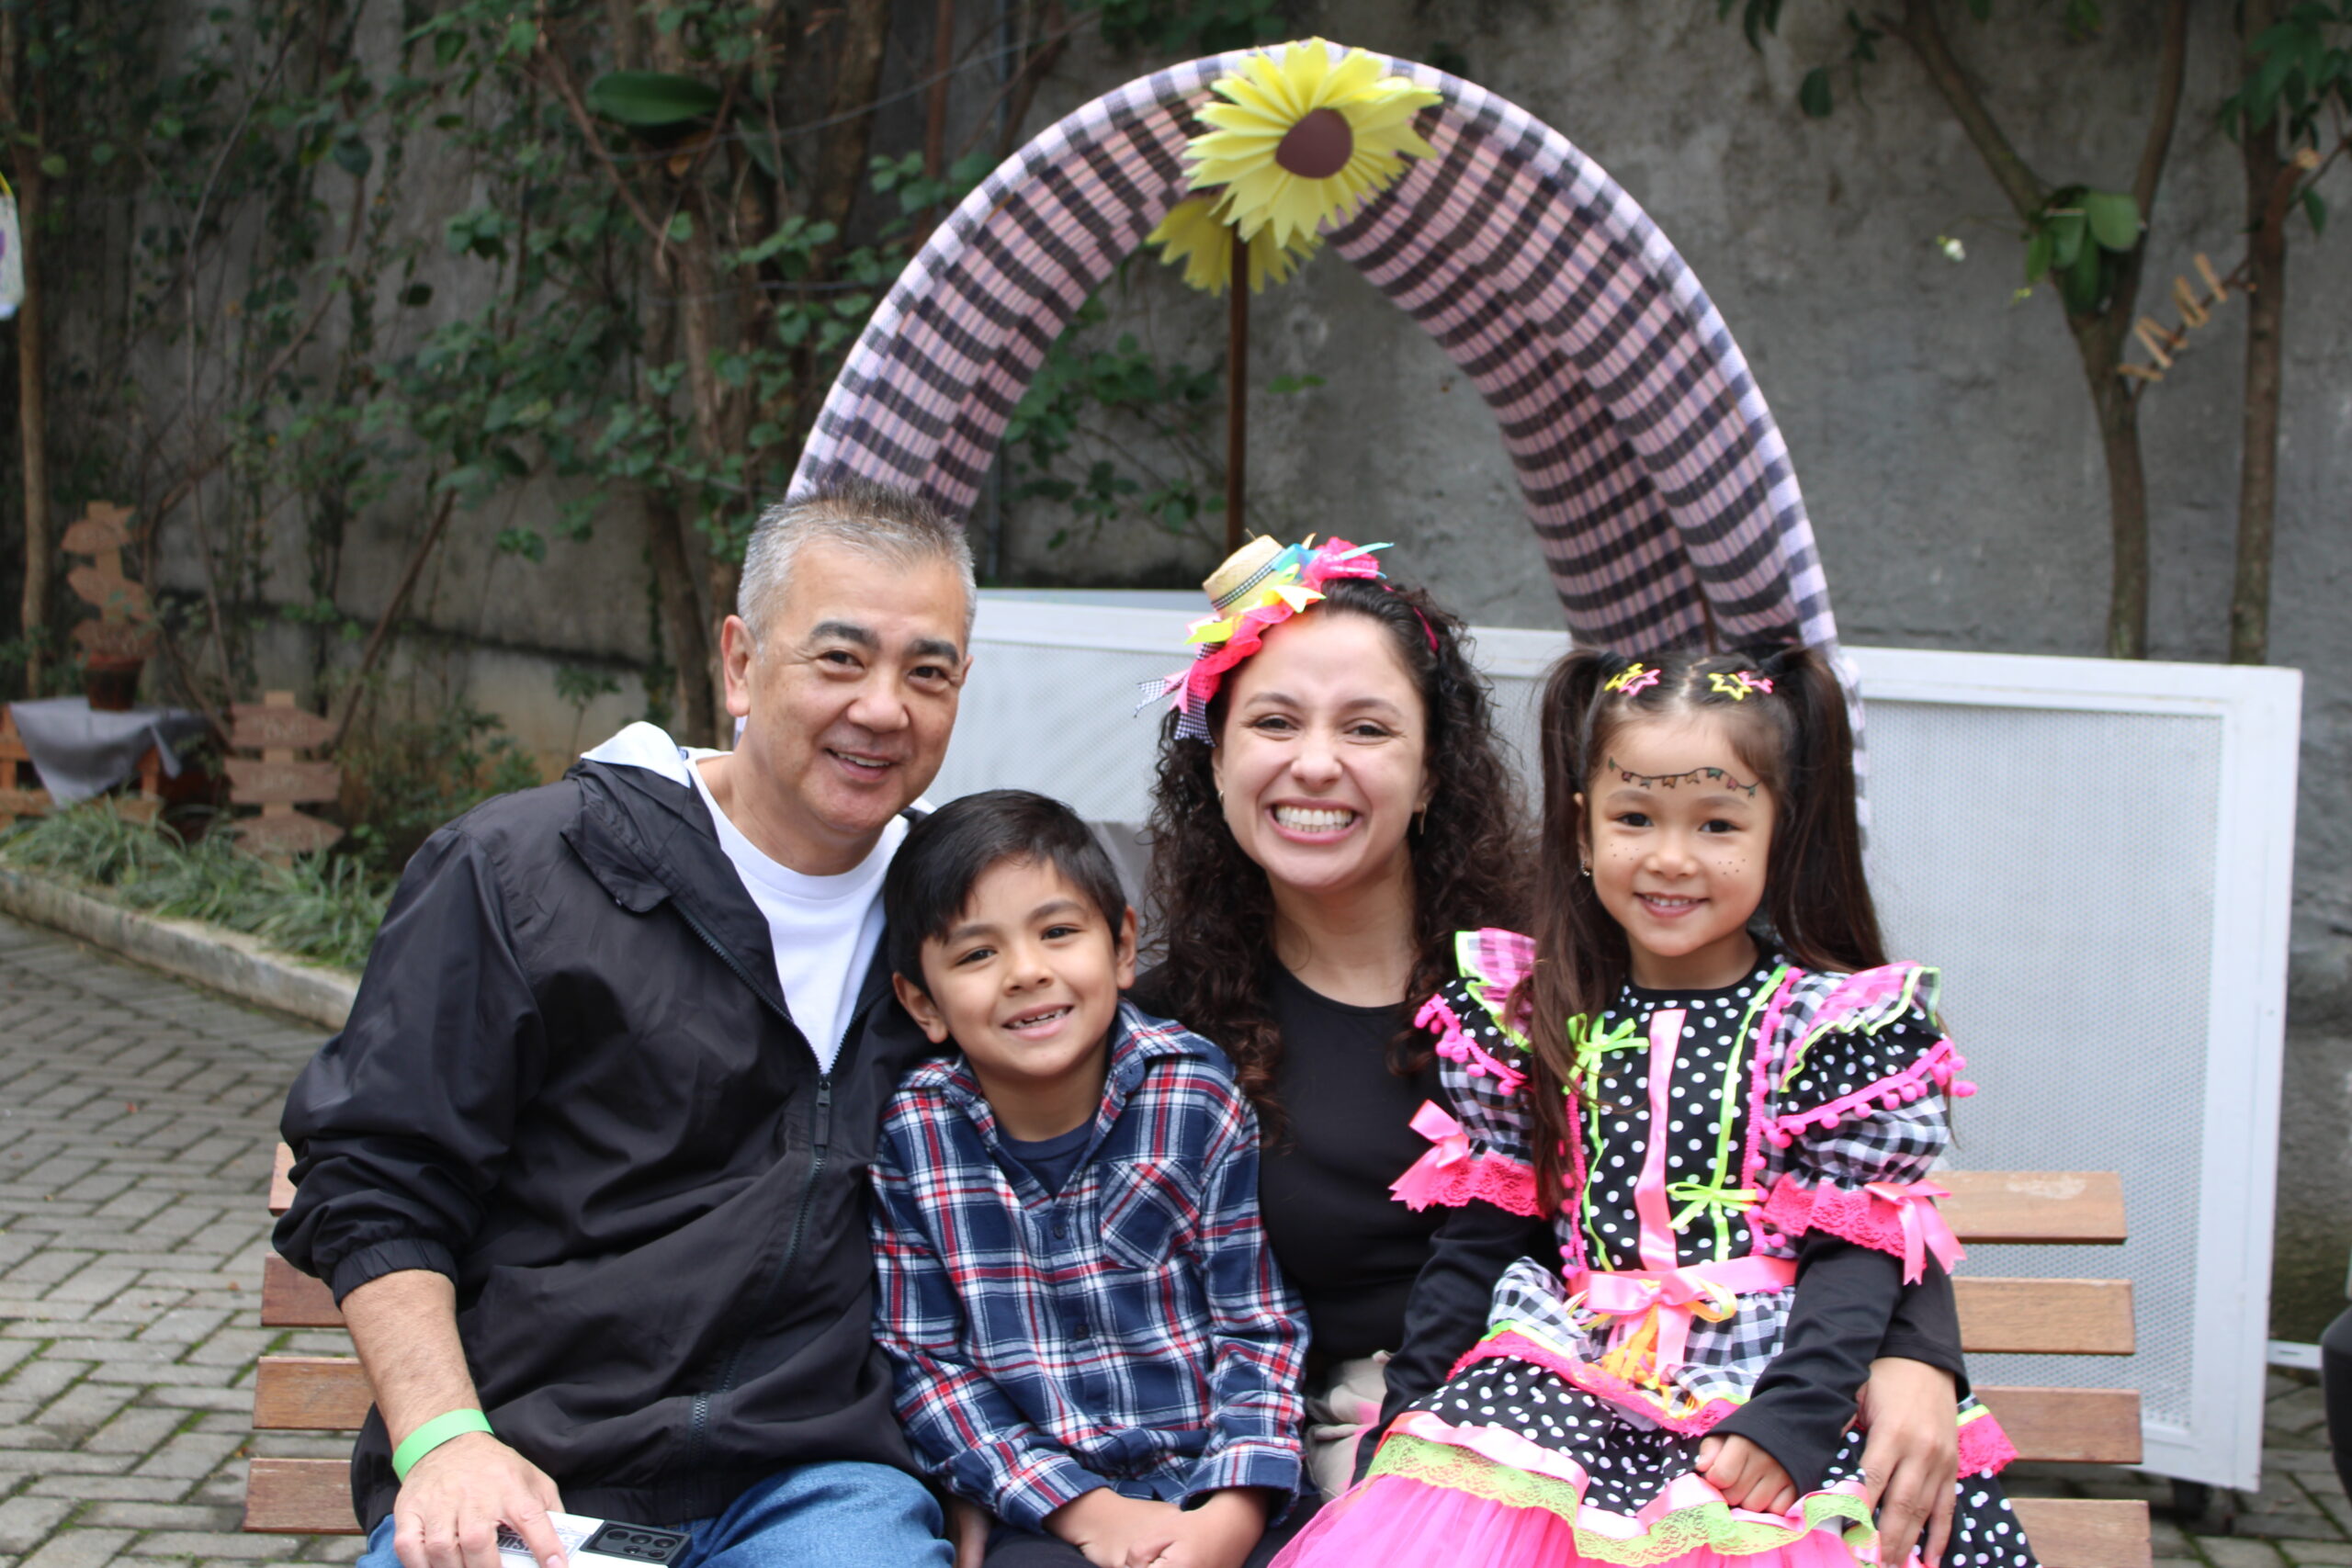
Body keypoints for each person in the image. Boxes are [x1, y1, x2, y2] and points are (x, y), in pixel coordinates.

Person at [1133, 539, 1973, 1566]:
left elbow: (1834, 1178)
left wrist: (1919, 1356)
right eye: (1272, 722)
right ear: (1212, 757)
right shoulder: (1162, 1034)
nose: (1316, 763)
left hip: (1672, 1439)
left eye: (1366, 726)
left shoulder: (1578, 963)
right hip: (1373, 1460)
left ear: (1433, 767)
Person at [272, 481, 976, 1568]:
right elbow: (377, 1176)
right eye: (839, 659)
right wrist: (447, 1441)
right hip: (535, 1464)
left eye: (927, 672)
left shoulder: (966, 922)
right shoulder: (523, 871)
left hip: (822, 1484)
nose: (884, 707)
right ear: (739, 664)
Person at [868, 789, 1312, 1568]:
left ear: (1121, 947)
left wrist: (1232, 1513)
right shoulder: (918, 1136)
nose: (1026, 972)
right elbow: (925, 1363)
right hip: (1046, 1506)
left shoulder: (1193, 1095)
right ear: (921, 1000)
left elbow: (1257, 1324)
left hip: (1215, 1485)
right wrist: (1081, 1510)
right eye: (977, 953)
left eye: (1058, 932)